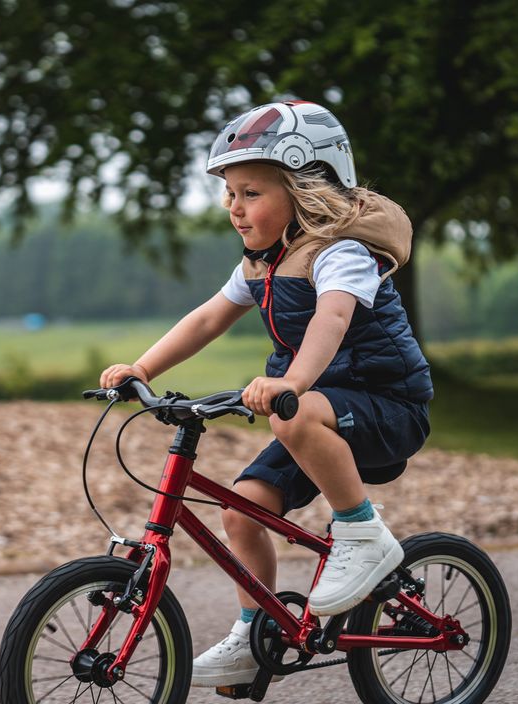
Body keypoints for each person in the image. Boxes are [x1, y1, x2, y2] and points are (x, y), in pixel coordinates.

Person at [100, 100, 433, 688]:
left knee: (294, 417)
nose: (235, 207)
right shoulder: (261, 263)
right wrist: (142, 368)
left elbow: (332, 319)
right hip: (310, 413)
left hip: (386, 407)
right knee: (242, 510)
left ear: (307, 188)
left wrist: (291, 383)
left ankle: (362, 533)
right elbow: (207, 319)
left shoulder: (343, 251)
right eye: (229, 194)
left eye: (251, 193)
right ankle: (255, 635)